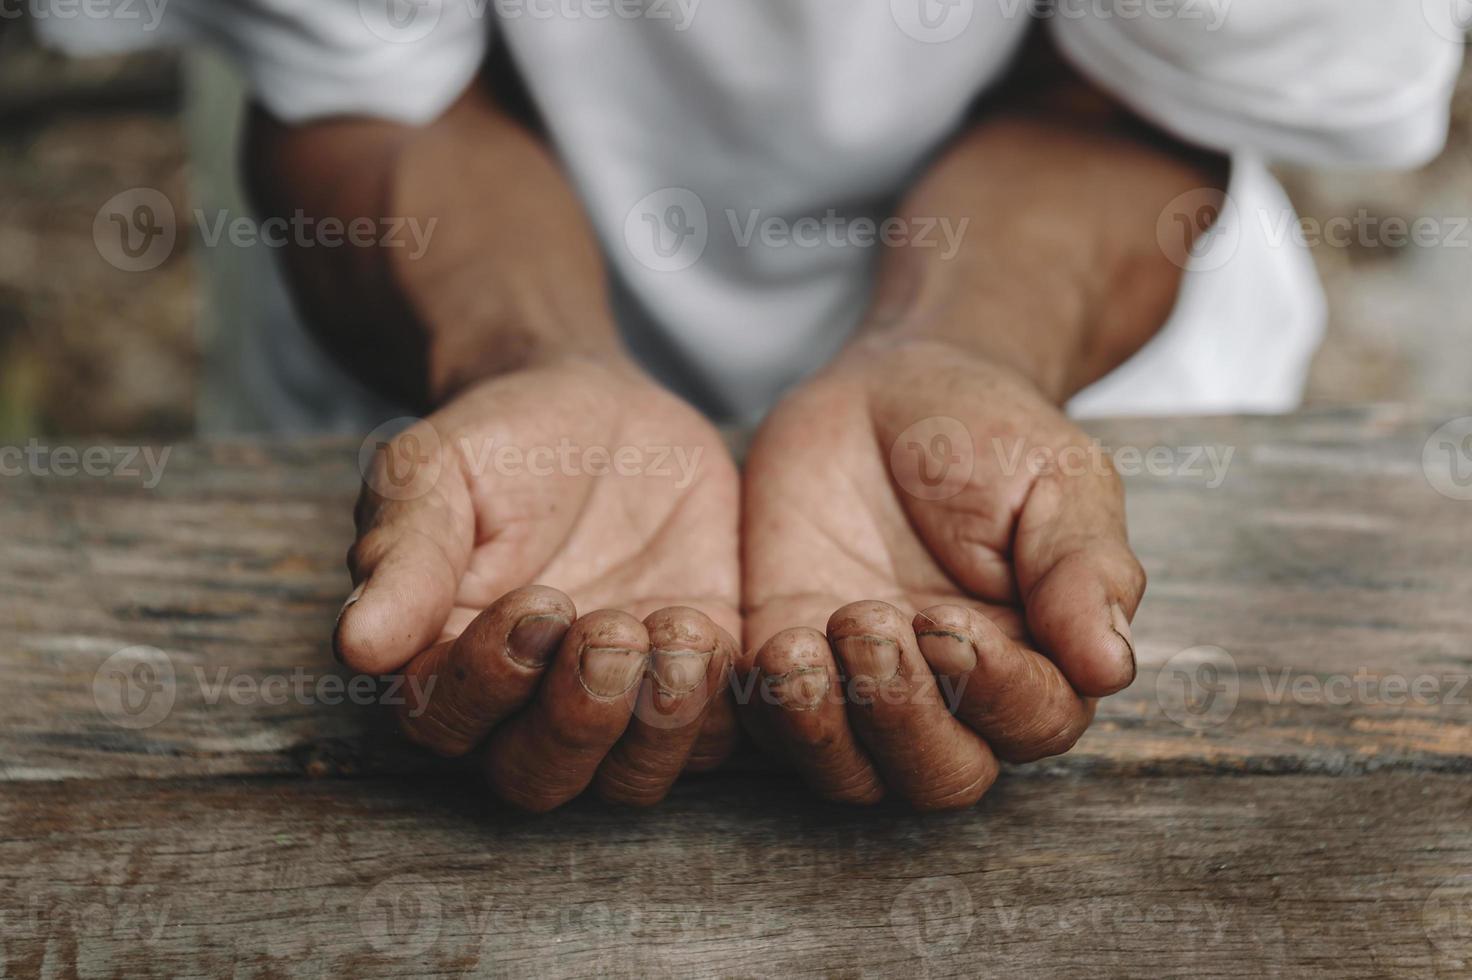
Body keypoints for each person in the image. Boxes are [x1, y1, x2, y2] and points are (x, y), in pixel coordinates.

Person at [45, 1, 1463, 810]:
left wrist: (967, 347)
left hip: (1081, 408)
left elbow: (1127, 105)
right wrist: (523, 357)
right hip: (432, 398)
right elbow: (365, 90)